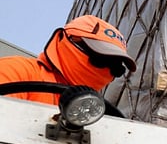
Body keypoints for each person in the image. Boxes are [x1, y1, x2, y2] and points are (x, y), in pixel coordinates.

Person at [0, 15, 136, 105]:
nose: (106, 70)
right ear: (64, 40)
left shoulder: (95, 110)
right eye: (100, 58)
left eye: (116, 68)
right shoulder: (18, 72)